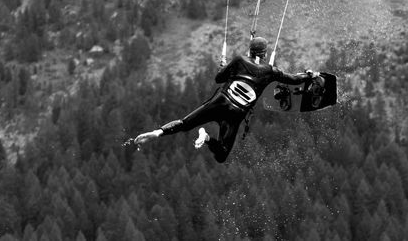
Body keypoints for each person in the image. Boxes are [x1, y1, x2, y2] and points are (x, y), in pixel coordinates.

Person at [132, 37, 324, 163]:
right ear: (265, 54)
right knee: (222, 154)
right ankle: (206, 138)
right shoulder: (270, 71)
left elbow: (219, 79)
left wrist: (224, 66)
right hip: (236, 114)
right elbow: (292, 79)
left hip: (220, 102)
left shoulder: (239, 60)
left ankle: (157, 133)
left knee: (184, 123)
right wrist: (309, 75)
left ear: (250, 51)